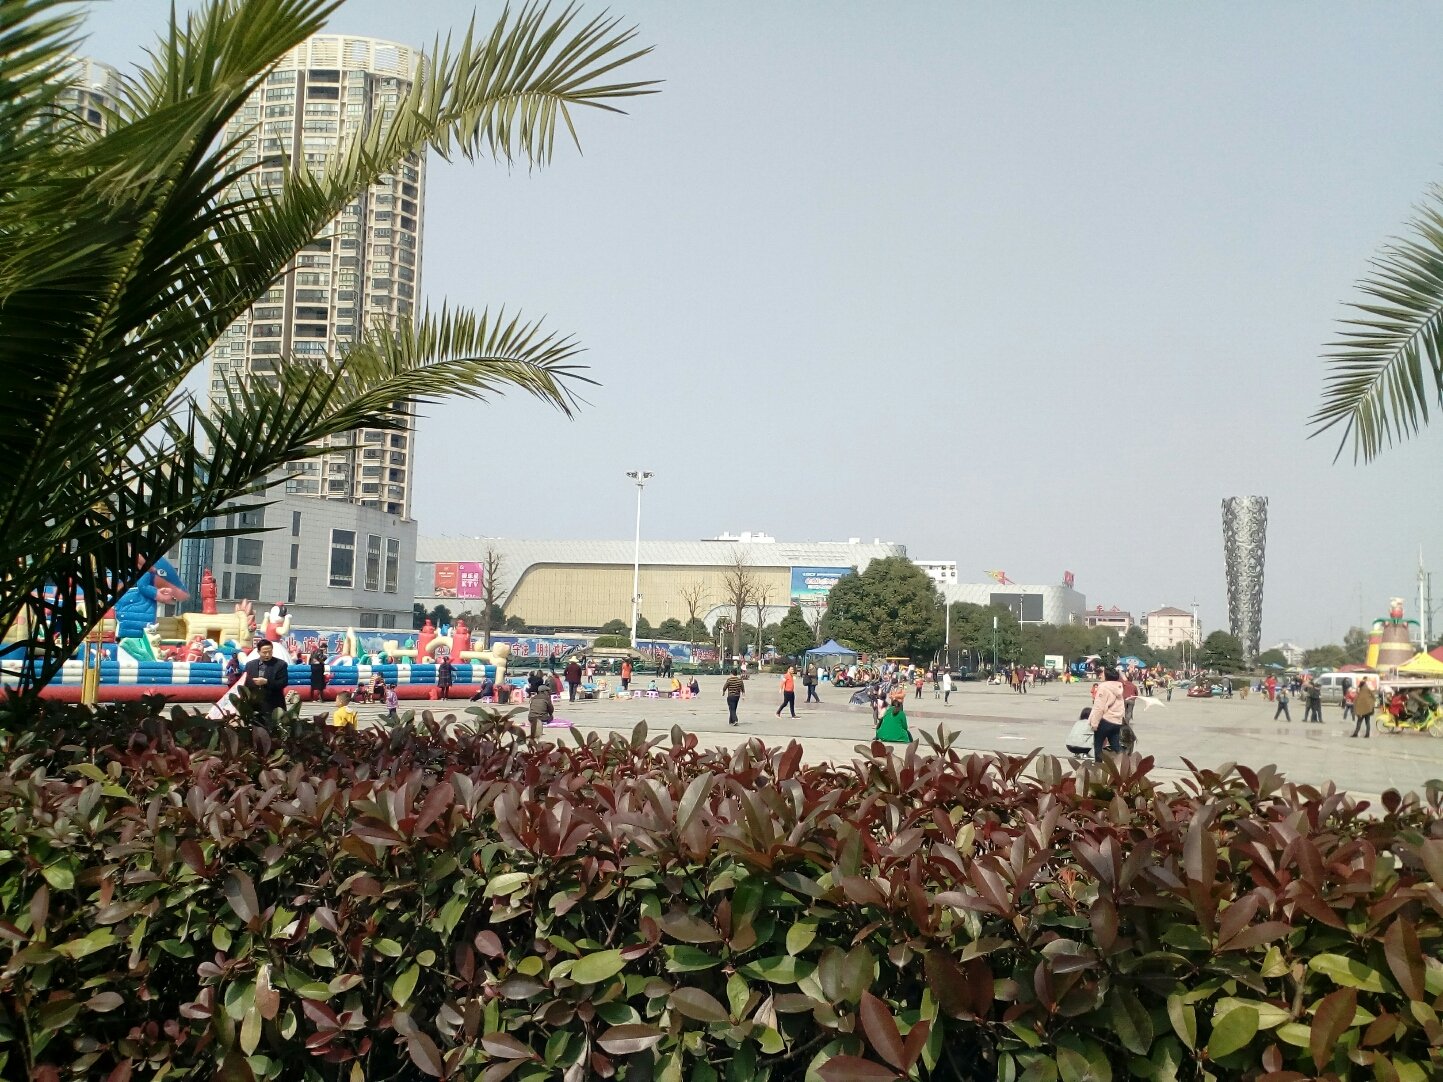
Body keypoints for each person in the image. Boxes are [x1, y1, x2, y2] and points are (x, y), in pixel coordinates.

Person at [243, 640, 289, 717]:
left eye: (270, 652)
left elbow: (283, 682)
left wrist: (267, 682)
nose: (267, 655)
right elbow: (245, 683)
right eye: (264, 652)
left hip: (273, 705)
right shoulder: (250, 665)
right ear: (258, 652)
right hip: (254, 705)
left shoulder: (280, 665)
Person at [1089, 667, 1126, 761]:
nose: (1101, 675)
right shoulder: (1119, 687)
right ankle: (1125, 763)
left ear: (1106, 675)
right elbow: (1121, 706)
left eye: (1102, 673)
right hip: (1116, 721)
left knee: (1098, 746)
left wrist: (1094, 723)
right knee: (1115, 745)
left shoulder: (1103, 687)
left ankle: (1098, 767)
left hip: (1105, 720)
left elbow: (1099, 707)